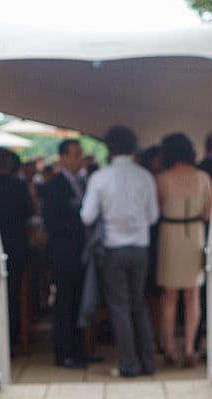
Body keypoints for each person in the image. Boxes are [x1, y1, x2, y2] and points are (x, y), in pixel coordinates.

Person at [80, 125, 159, 378]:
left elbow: (87, 216)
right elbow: (153, 216)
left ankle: (128, 363)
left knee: (119, 306)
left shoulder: (100, 178)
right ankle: (148, 361)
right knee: (139, 304)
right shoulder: (145, 176)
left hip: (113, 248)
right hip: (140, 247)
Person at [154, 132, 212, 368]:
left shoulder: (163, 178)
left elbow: (156, 210)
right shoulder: (203, 177)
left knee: (169, 296)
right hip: (195, 234)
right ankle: (189, 348)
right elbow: (209, 213)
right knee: (192, 294)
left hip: (170, 234)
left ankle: (169, 346)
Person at [41, 138, 94, 368]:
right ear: (63, 158)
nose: (79, 158)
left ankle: (79, 349)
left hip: (80, 251)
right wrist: (80, 224)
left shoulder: (82, 182)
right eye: (74, 154)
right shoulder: (54, 186)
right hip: (64, 252)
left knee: (78, 301)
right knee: (64, 302)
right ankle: (63, 352)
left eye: (80, 153)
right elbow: (51, 222)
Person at [0, 146, 34, 353]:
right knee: (12, 296)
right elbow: (28, 213)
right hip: (15, 247)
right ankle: (10, 340)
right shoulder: (19, 186)